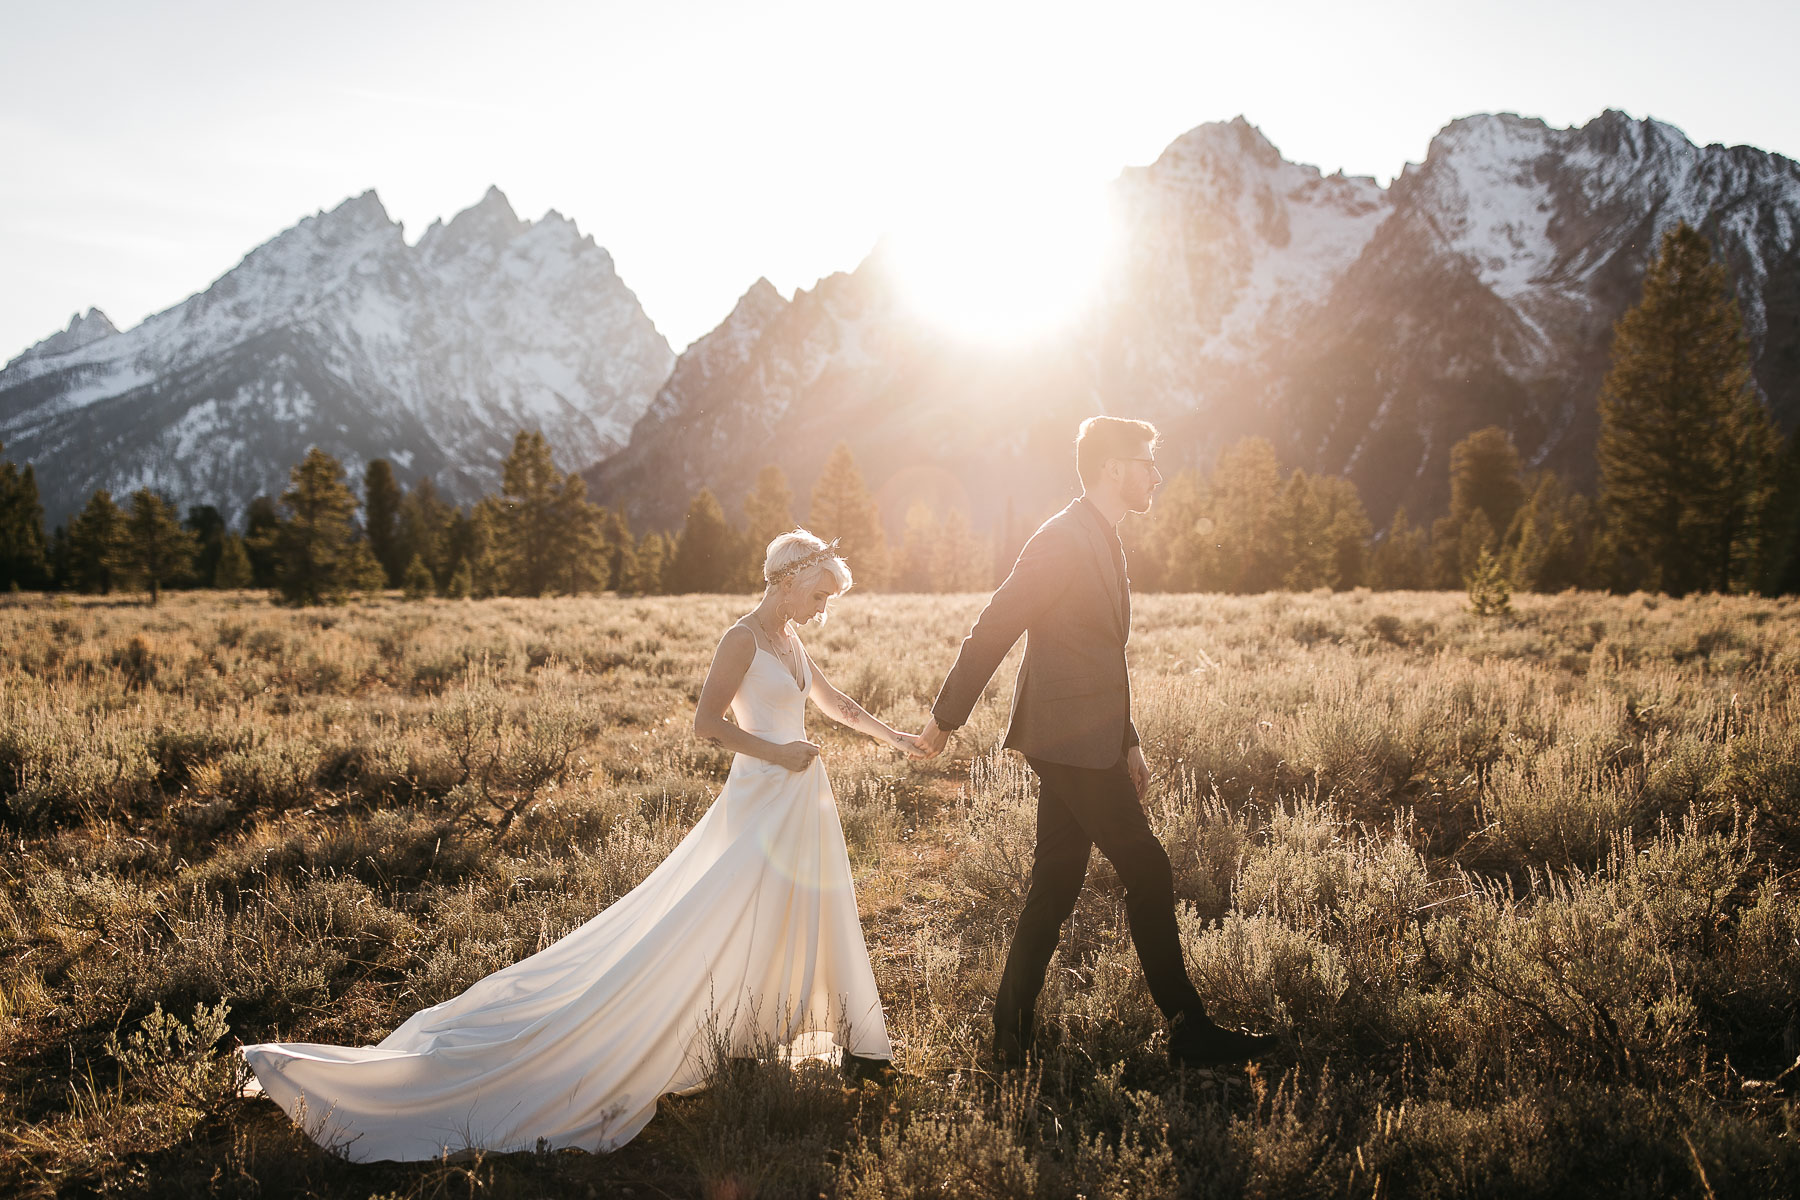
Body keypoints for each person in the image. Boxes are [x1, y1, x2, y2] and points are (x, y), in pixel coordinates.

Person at [241, 530, 910, 1161]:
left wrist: (902, 739)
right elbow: (706, 725)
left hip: (798, 796)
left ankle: (777, 1039)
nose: (824, 608)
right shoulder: (742, 639)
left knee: (797, 915)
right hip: (759, 797)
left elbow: (838, 705)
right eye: (819, 594)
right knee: (710, 920)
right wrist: (779, 751)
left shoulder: (792, 640)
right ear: (789, 580)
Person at [915, 416, 1277, 1069]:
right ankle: (1189, 1031)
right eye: (1146, 462)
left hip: (1090, 737)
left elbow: (1105, 654)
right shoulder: (1060, 540)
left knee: (1054, 885)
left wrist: (1128, 740)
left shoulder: (1105, 538)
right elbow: (996, 625)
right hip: (1067, 739)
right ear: (1113, 468)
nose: (1156, 476)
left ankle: (1009, 1038)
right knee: (1149, 867)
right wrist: (946, 719)